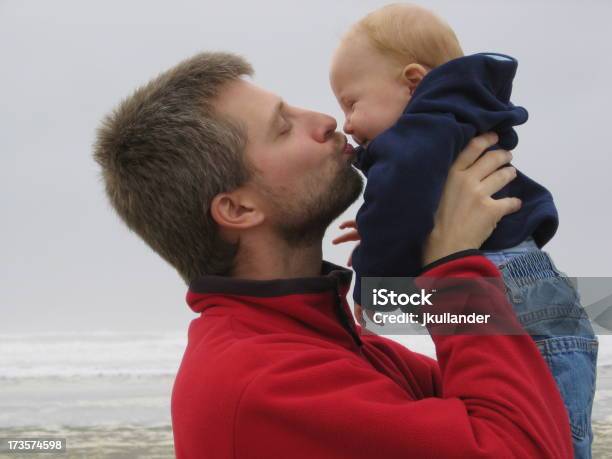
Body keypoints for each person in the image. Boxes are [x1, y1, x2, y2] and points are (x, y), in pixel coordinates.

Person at [93, 51, 573, 458]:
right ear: (237, 208)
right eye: (283, 128)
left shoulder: (343, 344)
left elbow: (525, 394)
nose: (324, 121)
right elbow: (527, 446)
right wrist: (453, 259)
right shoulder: (262, 382)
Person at [329, 4, 597, 456]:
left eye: (351, 103)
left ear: (413, 82)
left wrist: (370, 290)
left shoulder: (416, 135)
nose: (348, 123)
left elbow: (403, 200)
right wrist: (384, 221)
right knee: (563, 431)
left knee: (540, 432)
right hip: (534, 279)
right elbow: (415, 205)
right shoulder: (457, 120)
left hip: (503, 281)